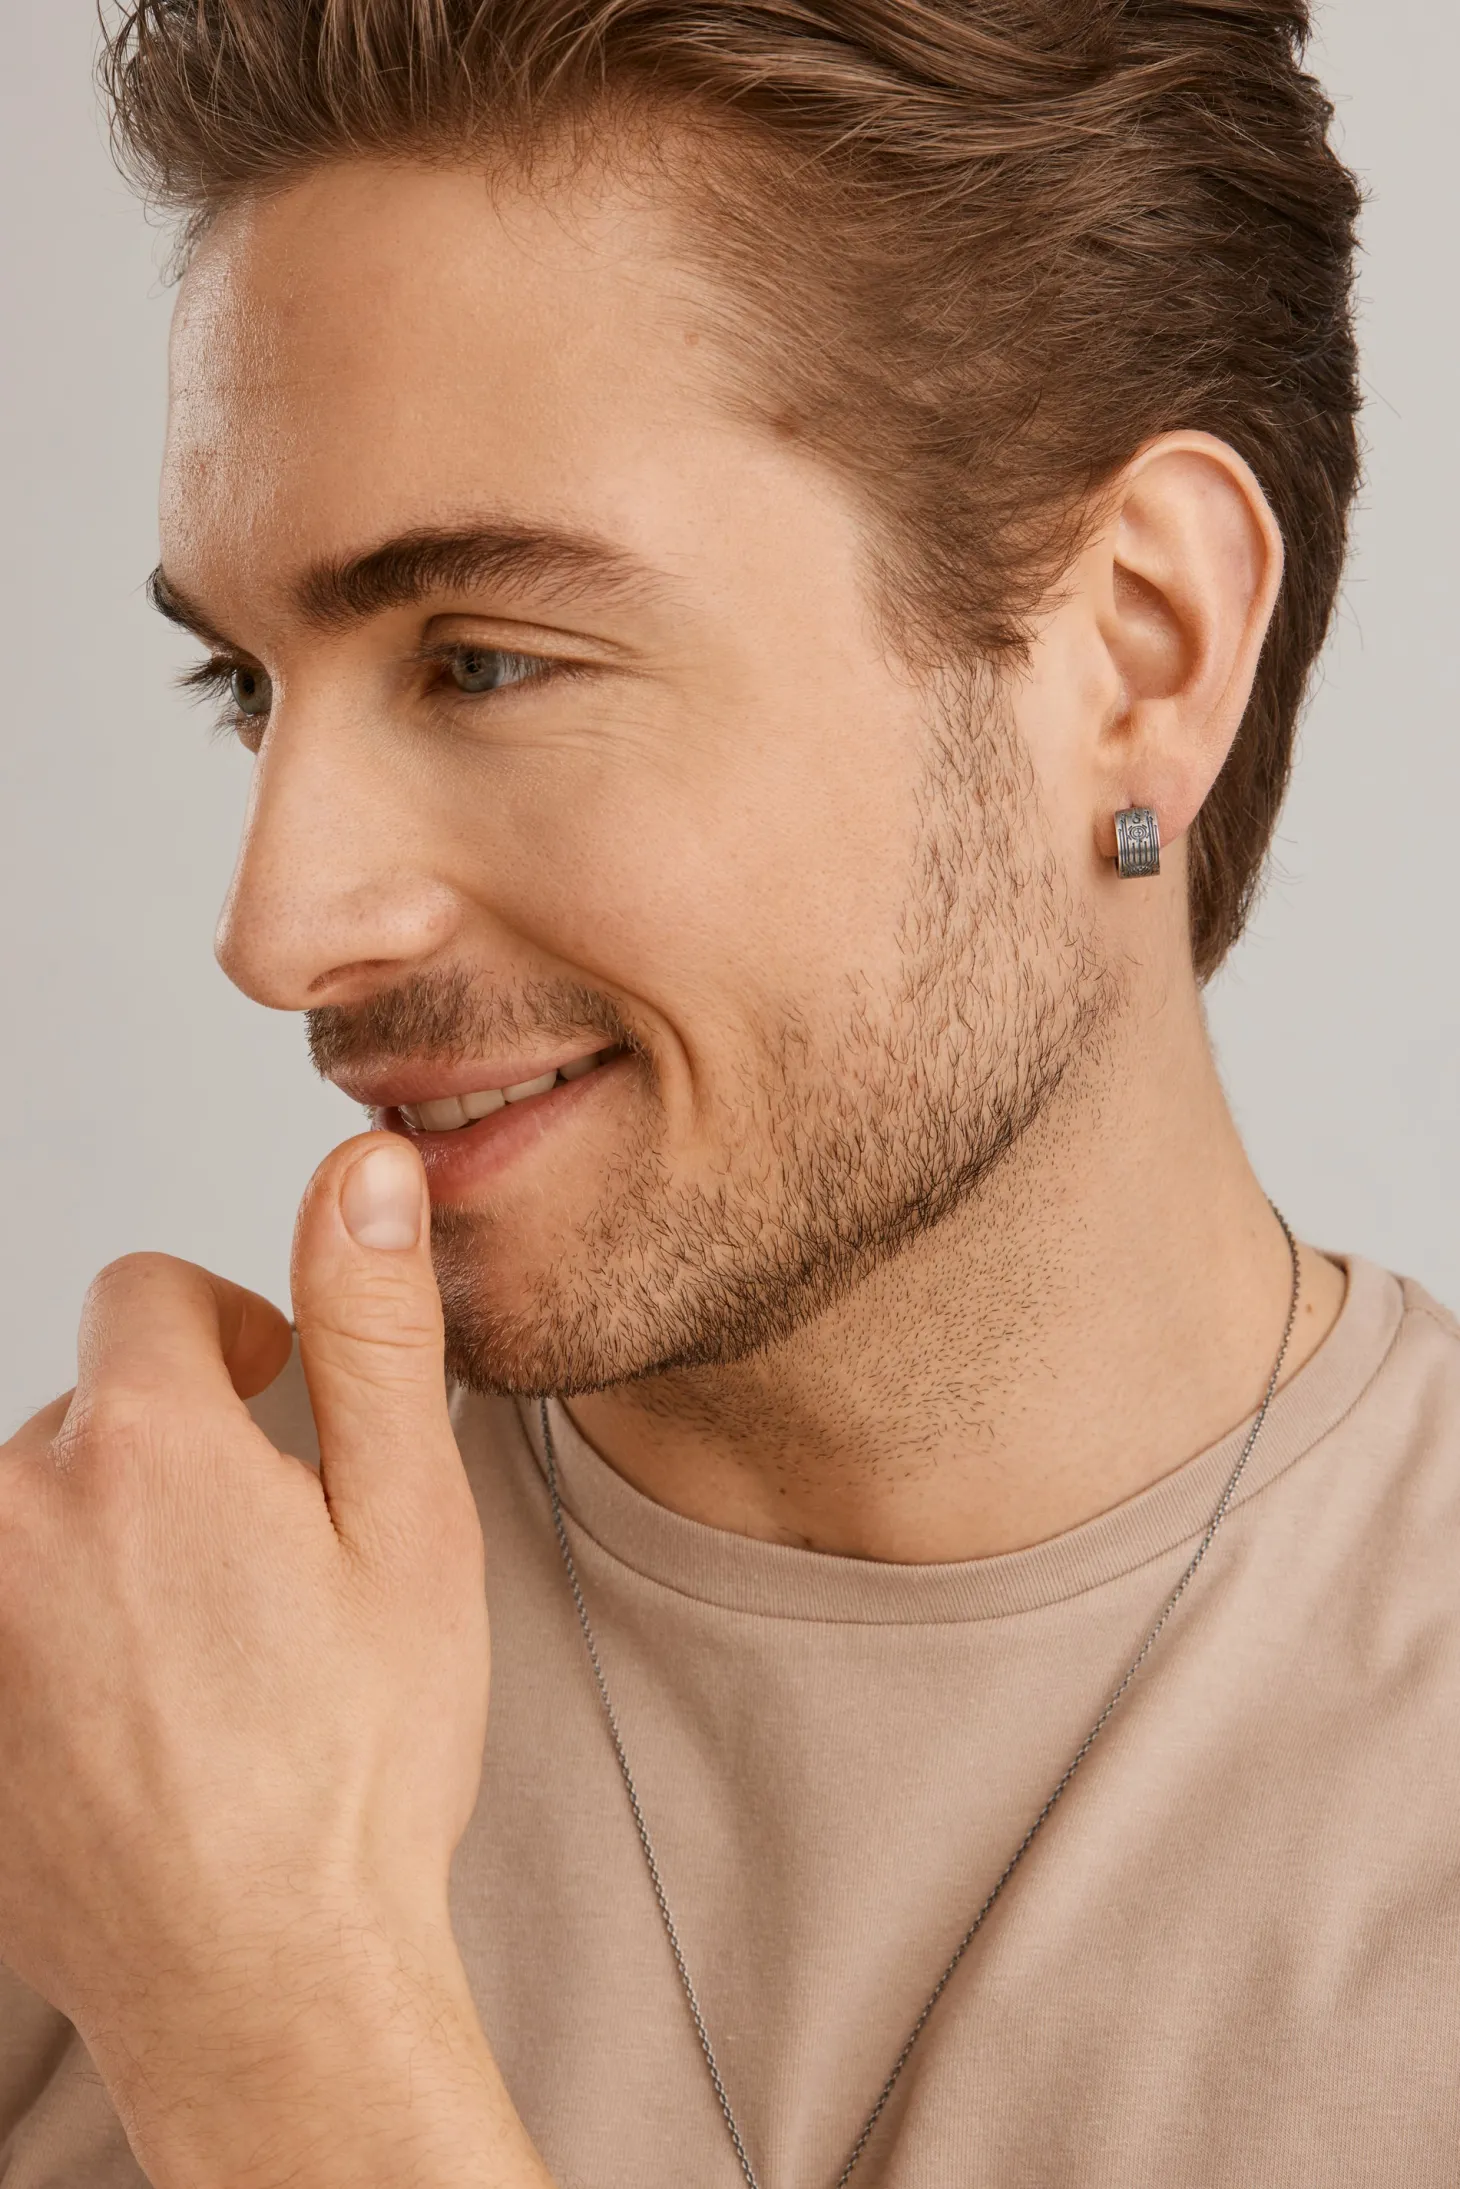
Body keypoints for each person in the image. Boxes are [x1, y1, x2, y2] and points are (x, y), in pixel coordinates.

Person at [2, 1, 1456, 2183]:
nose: (278, 927)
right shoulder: (80, 1713)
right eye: (247, 685)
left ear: (1137, 647)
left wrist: (276, 2032)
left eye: (484, 659)